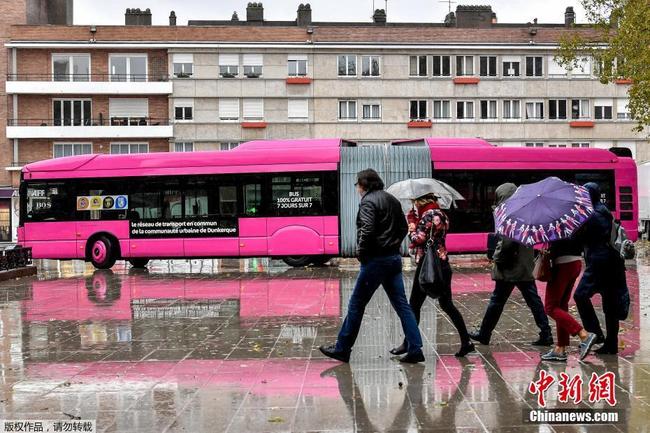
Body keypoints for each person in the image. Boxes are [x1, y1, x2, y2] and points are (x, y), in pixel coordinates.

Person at [319, 169, 425, 364]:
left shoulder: (368, 201)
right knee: (402, 305)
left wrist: (362, 252)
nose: (357, 188)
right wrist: (392, 245)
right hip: (393, 259)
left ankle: (342, 349)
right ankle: (416, 348)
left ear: (364, 185)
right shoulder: (391, 199)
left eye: (358, 184)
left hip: (376, 260)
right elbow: (403, 227)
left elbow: (367, 229)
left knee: (356, 304)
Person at [390, 195, 475, 357]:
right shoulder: (441, 214)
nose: (413, 204)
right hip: (442, 265)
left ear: (420, 201)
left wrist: (411, 225)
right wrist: (418, 220)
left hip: (428, 267)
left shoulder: (428, 215)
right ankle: (466, 342)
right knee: (447, 305)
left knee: (414, 305)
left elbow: (418, 239)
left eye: (414, 201)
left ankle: (409, 344)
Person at [469, 183, 553, 346]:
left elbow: (507, 242)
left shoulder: (509, 214)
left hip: (510, 266)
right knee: (533, 301)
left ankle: (484, 334)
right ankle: (546, 333)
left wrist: (496, 257)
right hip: (524, 265)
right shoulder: (526, 211)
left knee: (497, 301)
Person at [573, 182, 628, 355]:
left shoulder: (593, 215)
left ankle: (595, 333)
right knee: (610, 304)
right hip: (612, 263)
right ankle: (611, 344)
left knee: (580, 295)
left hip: (600, 263)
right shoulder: (603, 211)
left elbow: (577, 236)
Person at [541, 237, 597, 362]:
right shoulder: (571, 219)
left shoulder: (556, 220)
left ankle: (583, 335)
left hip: (563, 264)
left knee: (551, 307)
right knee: (561, 306)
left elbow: (560, 244)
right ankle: (560, 348)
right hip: (575, 262)